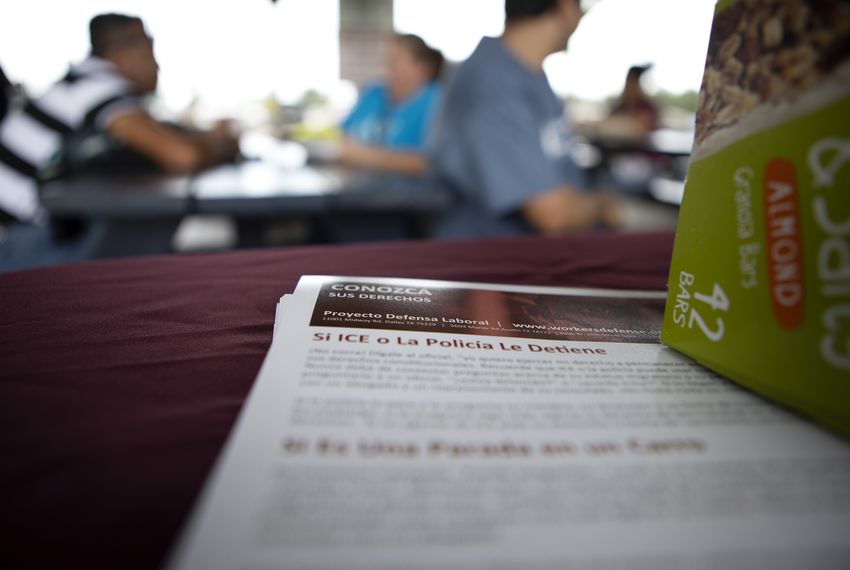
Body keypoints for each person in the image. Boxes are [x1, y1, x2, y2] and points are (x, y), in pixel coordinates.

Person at [0, 13, 239, 271]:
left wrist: (205, 140)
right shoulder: (96, 88)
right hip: (17, 245)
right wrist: (223, 145)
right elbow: (182, 156)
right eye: (150, 50)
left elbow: (169, 137)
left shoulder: (84, 82)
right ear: (122, 52)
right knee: (142, 261)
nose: (157, 66)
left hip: (30, 231)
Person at [429, 0, 620, 239]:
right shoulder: (492, 82)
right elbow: (553, 214)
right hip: (494, 262)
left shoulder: (527, 74)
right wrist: (604, 204)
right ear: (564, 8)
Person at [337, 33, 443, 176]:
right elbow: (343, 137)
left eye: (396, 59)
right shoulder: (374, 93)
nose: (388, 66)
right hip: (357, 183)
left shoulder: (438, 102)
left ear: (422, 67)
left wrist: (364, 156)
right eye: (387, 59)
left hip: (407, 194)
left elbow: (429, 163)